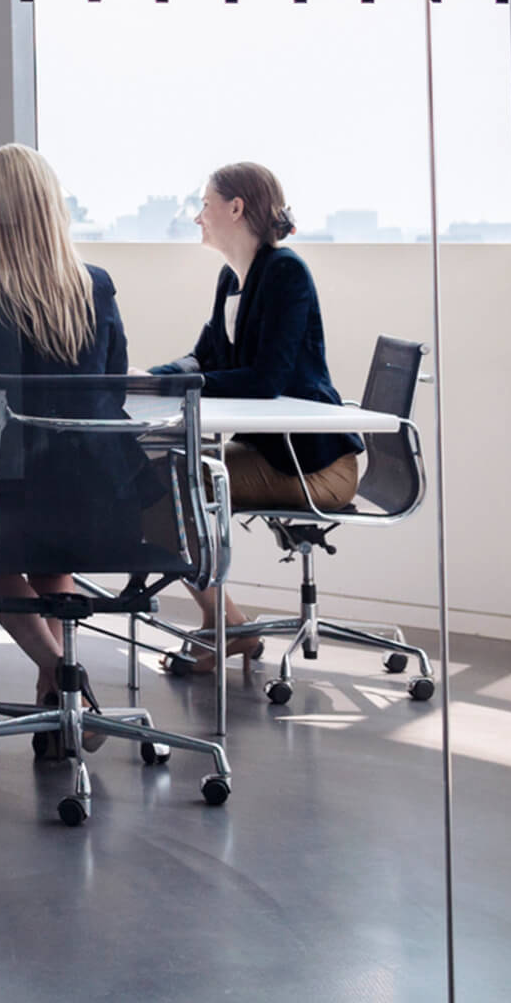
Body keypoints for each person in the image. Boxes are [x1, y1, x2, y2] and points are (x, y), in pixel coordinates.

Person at [0, 144, 130, 744]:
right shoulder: (93, 285)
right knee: (50, 551)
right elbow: (116, 383)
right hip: (101, 492)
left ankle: (58, 672)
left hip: (13, 483)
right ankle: (63, 706)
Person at [145, 162, 362, 673]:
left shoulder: (285, 272)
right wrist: (147, 378)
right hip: (273, 453)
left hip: (313, 468)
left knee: (167, 484)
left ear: (236, 208)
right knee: (154, 470)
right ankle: (225, 624)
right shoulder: (233, 278)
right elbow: (205, 358)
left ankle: (224, 626)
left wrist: (178, 383)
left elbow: (267, 379)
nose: (198, 217)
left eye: (205, 205)